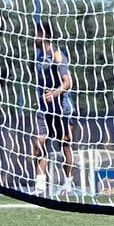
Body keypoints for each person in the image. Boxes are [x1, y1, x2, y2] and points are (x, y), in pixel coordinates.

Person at [31, 22, 78, 197]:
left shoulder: (57, 56)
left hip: (62, 109)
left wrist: (55, 93)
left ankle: (68, 184)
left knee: (64, 144)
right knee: (39, 143)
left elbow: (68, 82)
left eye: (36, 33)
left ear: (45, 35)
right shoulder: (38, 56)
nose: (33, 37)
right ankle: (40, 187)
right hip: (44, 109)